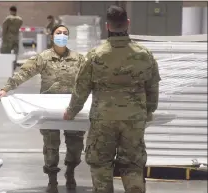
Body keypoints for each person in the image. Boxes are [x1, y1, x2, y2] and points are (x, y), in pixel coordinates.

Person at [63, 5, 161, 193]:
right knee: (132, 166)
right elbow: (153, 89)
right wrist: (148, 112)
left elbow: (81, 90)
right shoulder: (144, 55)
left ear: (107, 26)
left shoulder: (95, 55)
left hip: (103, 120)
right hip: (133, 120)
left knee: (101, 165)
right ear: (128, 24)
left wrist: (71, 111)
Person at [0, 25, 86, 193]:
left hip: (72, 108)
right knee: (51, 146)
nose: (62, 35)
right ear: (52, 37)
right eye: (58, 33)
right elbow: (25, 72)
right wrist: (7, 88)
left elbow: (90, 78)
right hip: (49, 110)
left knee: (75, 146)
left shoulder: (79, 58)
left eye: (65, 33)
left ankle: (70, 172)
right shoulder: (43, 57)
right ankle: (52, 179)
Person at [0, 6, 23, 71]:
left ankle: (6, 66)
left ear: (10, 11)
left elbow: (4, 29)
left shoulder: (8, 19)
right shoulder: (20, 19)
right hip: (16, 38)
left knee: (5, 53)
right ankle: (13, 65)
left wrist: (3, 37)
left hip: (8, 39)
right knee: (15, 53)